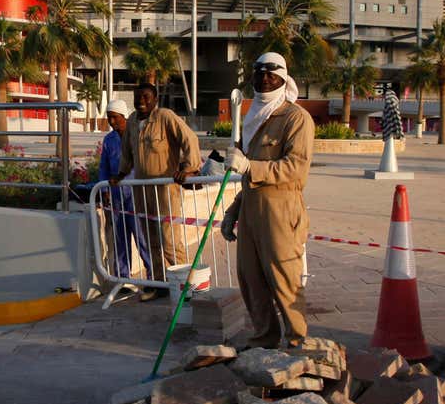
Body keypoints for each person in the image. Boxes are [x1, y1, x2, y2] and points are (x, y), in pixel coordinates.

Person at [220, 52, 314, 349]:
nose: (263, 78)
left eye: (271, 73)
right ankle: (265, 338)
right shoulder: (252, 117)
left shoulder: (296, 118)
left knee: (284, 279)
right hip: (250, 207)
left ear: (283, 78)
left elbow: (295, 168)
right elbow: (248, 180)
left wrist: (250, 166)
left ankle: (297, 341)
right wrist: (233, 212)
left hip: (281, 210)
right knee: (251, 278)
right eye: (258, 72)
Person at [113, 82, 201, 297]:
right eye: (137, 97)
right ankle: (160, 284)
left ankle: (182, 285)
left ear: (155, 99)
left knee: (169, 240)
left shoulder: (165, 116)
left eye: (145, 97)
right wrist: (122, 173)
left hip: (165, 190)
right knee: (150, 239)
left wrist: (189, 168)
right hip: (142, 190)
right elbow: (126, 152)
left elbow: (190, 138)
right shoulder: (133, 121)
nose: (141, 101)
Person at [98, 99, 152, 280]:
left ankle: (154, 276)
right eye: (109, 118)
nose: (112, 122)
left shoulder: (138, 135)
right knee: (120, 239)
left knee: (142, 238)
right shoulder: (108, 140)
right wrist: (104, 190)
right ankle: (123, 278)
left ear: (124, 117)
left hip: (137, 195)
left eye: (115, 118)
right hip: (116, 197)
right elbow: (103, 167)